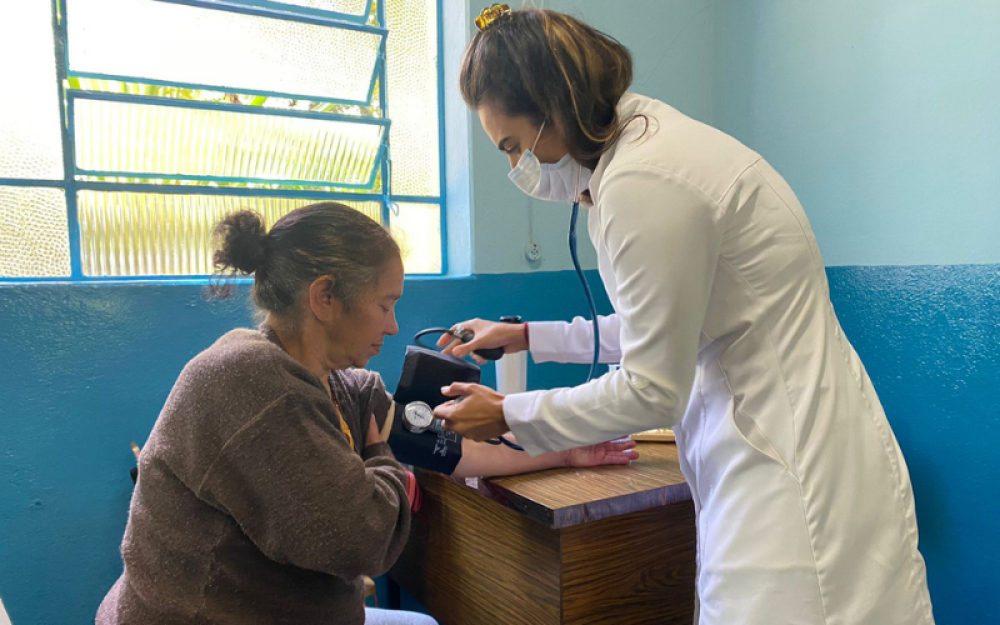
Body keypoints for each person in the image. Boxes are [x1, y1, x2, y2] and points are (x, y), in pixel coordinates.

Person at [433, 6, 935, 625]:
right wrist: (526, 336)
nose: (517, 169)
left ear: (554, 107)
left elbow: (652, 387)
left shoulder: (645, 183)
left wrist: (506, 413)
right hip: (778, 445)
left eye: (514, 146)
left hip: (791, 475)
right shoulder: (646, 148)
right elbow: (663, 328)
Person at [97, 201, 636, 625]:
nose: (395, 326)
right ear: (325, 297)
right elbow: (366, 542)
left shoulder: (339, 384)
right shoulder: (253, 382)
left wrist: (560, 449)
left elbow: (443, 447)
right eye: (385, 304)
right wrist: (381, 454)